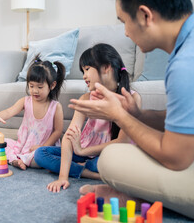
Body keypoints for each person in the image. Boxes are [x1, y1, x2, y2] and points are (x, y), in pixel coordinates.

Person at [71, 0, 194, 221]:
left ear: (145, 15)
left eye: (124, 21)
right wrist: (138, 114)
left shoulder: (190, 64)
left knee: (112, 158)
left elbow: (176, 157)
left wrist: (119, 116)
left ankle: (139, 198)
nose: (124, 32)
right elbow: (184, 119)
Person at [34, 43, 141, 192]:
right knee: (40, 154)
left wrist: (82, 151)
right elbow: (69, 137)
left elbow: (122, 142)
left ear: (106, 67)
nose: (84, 76)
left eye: (87, 69)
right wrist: (63, 177)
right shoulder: (86, 98)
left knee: (97, 163)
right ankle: (89, 174)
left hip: (105, 154)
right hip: (82, 151)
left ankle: (83, 170)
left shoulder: (131, 99)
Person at [0, 58, 65, 170]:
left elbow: (57, 132)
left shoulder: (55, 107)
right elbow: (9, 111)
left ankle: (16, 160)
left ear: (52, 85)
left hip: (42, 149)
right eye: (31, 86)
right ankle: (16, 160)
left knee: (40, 157)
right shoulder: (26, 101)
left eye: (40, 87)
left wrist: (43, 147)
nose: (34, 91)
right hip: (22, 146)